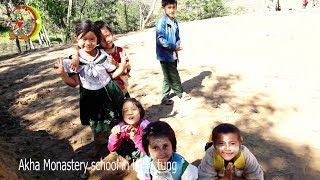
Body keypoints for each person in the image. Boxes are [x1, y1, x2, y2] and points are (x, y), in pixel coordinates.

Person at [54, 19, 127, 157]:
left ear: (97, 40)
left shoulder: (104, 56)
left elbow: (112, 75)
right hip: (90, 97)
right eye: (83, 38)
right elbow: (74, 82)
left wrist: (122, 66)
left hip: (109, 93)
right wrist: (62, 74)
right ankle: (99, 147)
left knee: (114, 120)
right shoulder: (74, 60)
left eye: (92, 39)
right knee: (96, 124)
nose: (88, 42)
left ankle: (119, 145)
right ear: (76, 38)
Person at [69, 20, 131, 98]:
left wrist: (117, 64)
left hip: (120, 86)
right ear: (97, 40)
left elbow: (127, 70)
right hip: (103, 91)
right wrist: (75, 57)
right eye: (101, 39)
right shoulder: (95, 51)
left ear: (112, 33)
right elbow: (75, 47)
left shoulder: (120, 51)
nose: (106, 40)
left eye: (108, 35)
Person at [198, 123, 264, 179]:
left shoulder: (244, 154)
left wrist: (234, 178)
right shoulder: (211, 155)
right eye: (221, 143)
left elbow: (257, 177)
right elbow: (204, 177)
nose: (227, 148)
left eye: (232, 143)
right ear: (214, 145)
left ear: (240, 143)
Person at [156, 0, 190, 105]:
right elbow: (160, 39)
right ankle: (180, 93)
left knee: (168, 76)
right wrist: (173, 46)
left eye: (174, 7)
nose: (172, 10)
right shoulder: (161, 22)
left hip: (174, 53)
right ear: (164, 8)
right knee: (173, 75)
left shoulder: (175, 21)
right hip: (165, 55)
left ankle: (164, 96)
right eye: (169, 7)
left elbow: (177, 36)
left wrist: (178, 44)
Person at [108, 98, 150, 162]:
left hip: (142, 150)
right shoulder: (120, 127)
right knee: (122, 165)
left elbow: (149, 150)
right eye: (125, 111)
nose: (130, 113)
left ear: (140, 110)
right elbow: (111, 149)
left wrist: (136, 137)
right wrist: (115, 136)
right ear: (121, 114)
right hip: (127, 152)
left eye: (133, 109)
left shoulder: (146, 126)